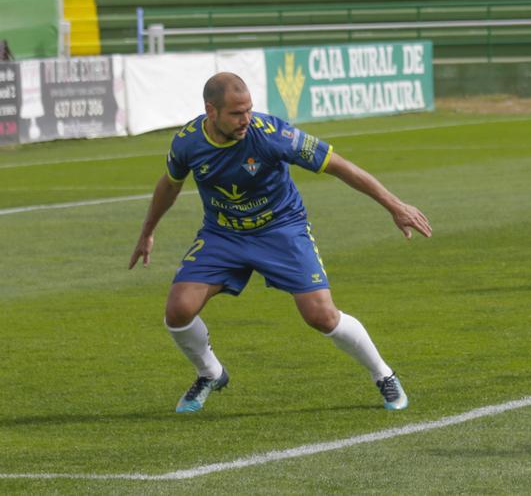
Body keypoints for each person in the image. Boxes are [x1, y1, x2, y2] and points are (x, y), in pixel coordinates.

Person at [128, 72, 431, 413]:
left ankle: (383, 375)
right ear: (211, 112)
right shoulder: (187, 142)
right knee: (177, 312)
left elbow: (340, 166)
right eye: (236, 114)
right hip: (223, 234)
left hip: (281, 230)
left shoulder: (272, 135)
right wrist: (147, 231)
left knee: (321, 316)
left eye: (249, 110)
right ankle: (210, 372)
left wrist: (395, 206)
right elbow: (170, 184)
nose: (246, 120)